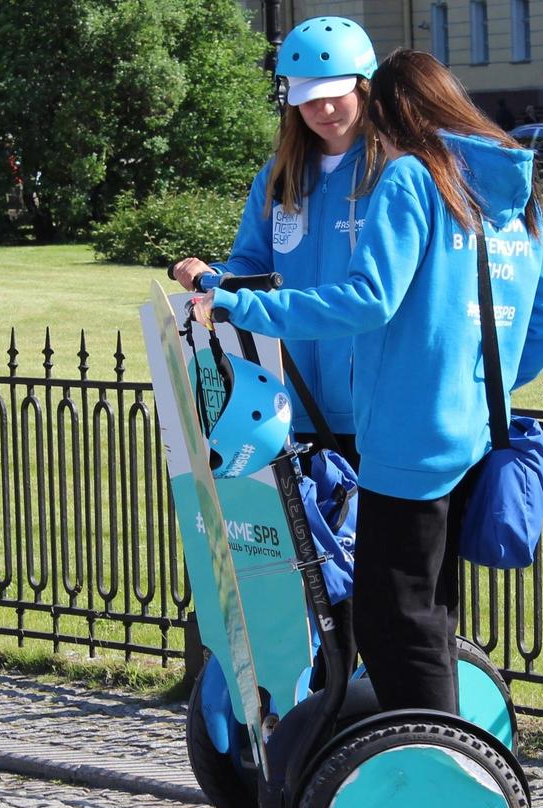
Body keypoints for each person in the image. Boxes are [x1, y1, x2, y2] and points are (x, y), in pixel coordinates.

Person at [194, 48, 543, 715]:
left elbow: (366, 301)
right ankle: (443, 755)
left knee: (394, 619)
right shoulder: (501, 186)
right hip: (471, 430)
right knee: (428, 610)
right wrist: (475, 382)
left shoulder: (409, 178)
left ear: (388, 106)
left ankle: (435, 772)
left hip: (406, 435)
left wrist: (236, 303)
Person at [169, 15, 380, 470]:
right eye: (308, 100)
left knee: (371, 542)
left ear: (365, 88)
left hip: (373, 406)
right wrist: (215, 278)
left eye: (333, 95)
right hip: (286, 396)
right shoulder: (277, 176)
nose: (323, 111)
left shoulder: (391, 174)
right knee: (310, 540)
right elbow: (250, 262)